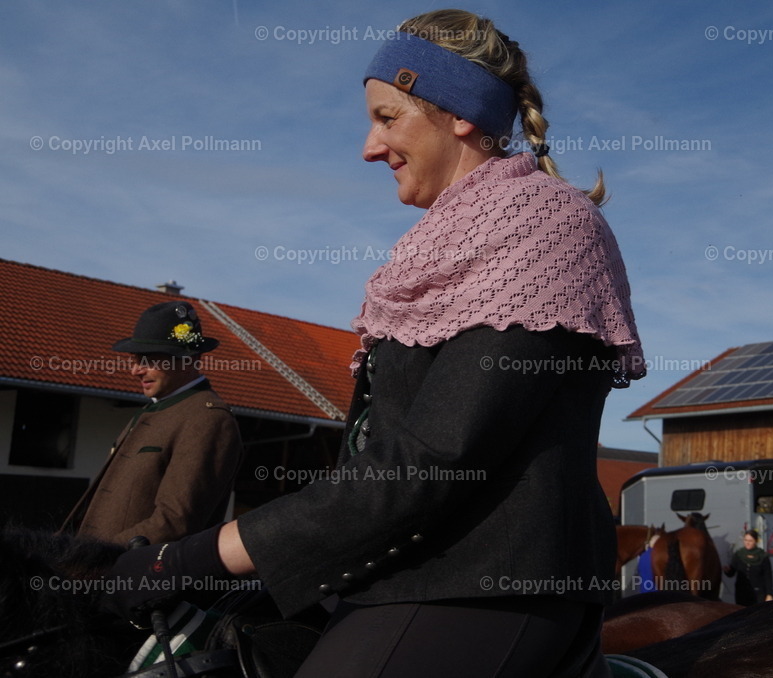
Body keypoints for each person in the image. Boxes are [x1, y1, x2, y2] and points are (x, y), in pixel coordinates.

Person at [103, 9, 644, 678]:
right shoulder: (448, 242)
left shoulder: (541, 229)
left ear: (460, 113)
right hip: (402, 573)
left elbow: (430, 460)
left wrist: (189, 556)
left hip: (484, 585)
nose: (368, 146)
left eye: (388, 118)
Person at [61, 301, 244, 546]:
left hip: (135, 577)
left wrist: (94, 558)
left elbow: (174, 522)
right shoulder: (157, 409)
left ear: (186, 359)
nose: (135, 370)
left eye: (147, 360)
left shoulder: (208, 419)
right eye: (135, 359)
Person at [723, 529, 773, 605]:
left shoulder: (763, 556)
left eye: (750, 541)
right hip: (742, 593)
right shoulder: (739, 554)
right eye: (746, 540)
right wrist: (727, 570)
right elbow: (732, 573)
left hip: (758, 593)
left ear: (755, 541)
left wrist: (769, 594)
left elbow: (768, 576)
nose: (747, 543)